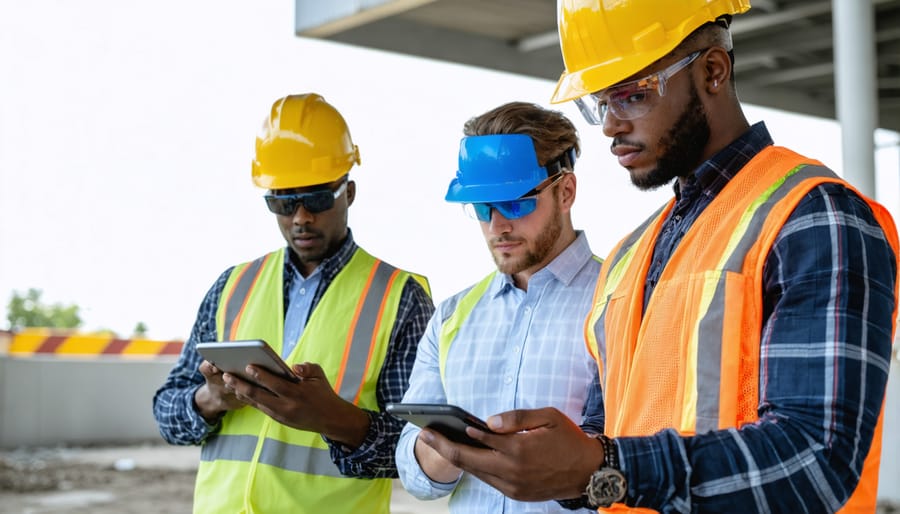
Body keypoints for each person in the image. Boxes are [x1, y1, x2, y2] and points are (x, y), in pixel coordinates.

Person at [414, 2, 900, 513]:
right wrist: (551, 463)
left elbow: (816, 459)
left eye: (631, 95)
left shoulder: (812, 216)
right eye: (600, 102)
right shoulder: (630, 256)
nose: (608, 126)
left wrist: (599, 465)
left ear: (713, 70)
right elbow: (611, 437)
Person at [152, 93, 434, 514]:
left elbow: (421, 452)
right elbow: (166, 413)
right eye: (283, 201)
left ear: (349, 191)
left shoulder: (399, 297)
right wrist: (209, 400)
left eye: (317, 199)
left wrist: (332, 418)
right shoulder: (232, 287)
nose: (300, 217)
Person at [395, 101, 603, 513]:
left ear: (565, 191)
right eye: (481, 207)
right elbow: (413, 474)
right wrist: (450, 448)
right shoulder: (452, 317)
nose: (497, 226)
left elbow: (641, 450)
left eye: (514, 203)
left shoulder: (619, 299)